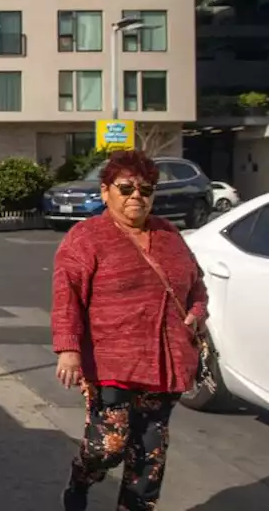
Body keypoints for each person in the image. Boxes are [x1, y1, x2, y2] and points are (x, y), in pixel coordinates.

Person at [51, 150, 208, 511]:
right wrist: (69, 349)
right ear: (106, 192)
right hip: (110, 364)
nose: (136, 196)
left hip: (165, 363)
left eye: (146, 189)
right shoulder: (86, 237)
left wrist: (197, 312)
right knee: (107, 447)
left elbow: (196, 285)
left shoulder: (169, 235)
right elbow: (67, 296)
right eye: (126, 188)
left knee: (149, 455)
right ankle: (82, 477)